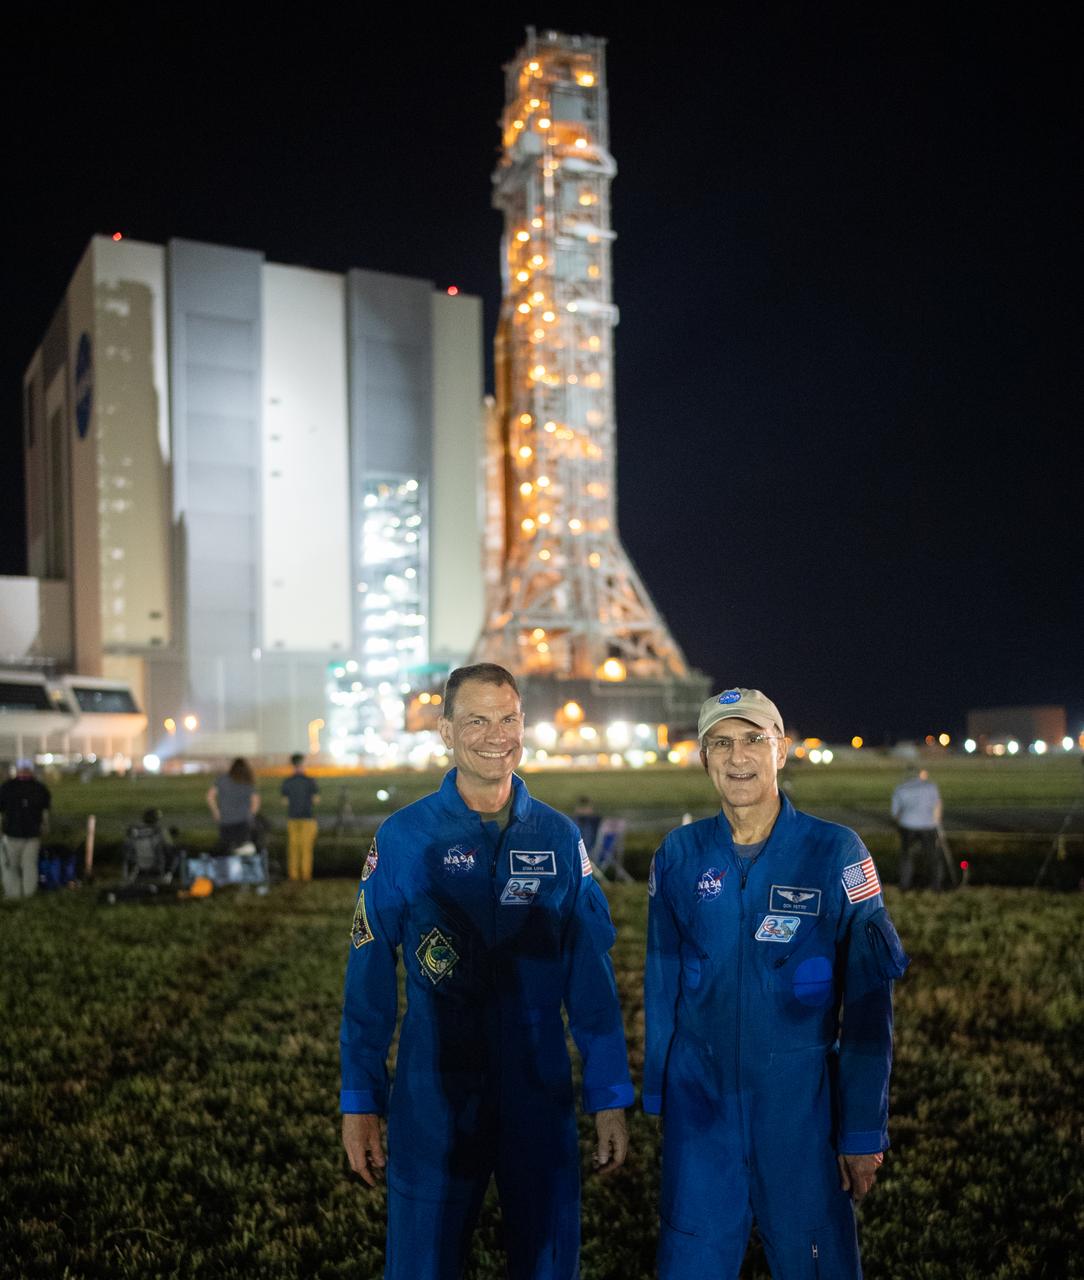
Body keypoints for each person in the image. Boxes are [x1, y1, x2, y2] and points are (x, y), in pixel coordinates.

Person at [340, 662, 633, 1280]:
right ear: (445, 731)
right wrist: (360, 1101)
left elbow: (591, 981)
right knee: (423, 1262)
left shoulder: (557, 837)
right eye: (477, 720)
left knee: (549, 1260)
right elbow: (367, 985)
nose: (496, 735)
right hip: (434, 1094)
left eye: (508, 719)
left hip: (538, 1090)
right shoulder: (403, 837)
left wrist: (608, 1096)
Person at [644, 688, 908, 1278]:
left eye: (753, 740)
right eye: (721, 743)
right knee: (690, 1260)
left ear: (780, 750)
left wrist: (862, 1127)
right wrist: (660, 1094)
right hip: (701, 1108)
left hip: (799, 1111)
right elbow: (662, 983)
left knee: (816, 1261)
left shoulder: (835, 853)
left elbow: (869, 1005)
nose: (738, 757)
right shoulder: (678, 856)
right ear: (703, 756)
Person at [0, 759, 52, 900]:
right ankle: (29, 894)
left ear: (17, 770)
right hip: (33, 835)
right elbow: (45, 812)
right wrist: (45, 828)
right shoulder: (40, 788)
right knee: (30, 866)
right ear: (31, 770)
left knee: (11, 867)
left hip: (12, 834)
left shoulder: (7, 787)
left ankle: (13, 895)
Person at [891, 766, 944, 890]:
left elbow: (895, 813)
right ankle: (936, 884)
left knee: (906, 855)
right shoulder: (931, 787)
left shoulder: (900, 789)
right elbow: (937, 806)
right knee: (932, 855)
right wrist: (937, 825)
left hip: (907, 824)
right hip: (928, 825)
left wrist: (899, 825)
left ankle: (905, 884)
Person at [281, 752, 320, 881]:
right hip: (307, 818)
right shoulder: (310, 781)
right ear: (303, 764)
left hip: (292, 818)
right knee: (306, 849)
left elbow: (284, 801)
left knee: (293, 849)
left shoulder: (287, 782)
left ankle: (293, 876)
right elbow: (316, 800)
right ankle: (305, 876)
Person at [206, 758, 260, 851]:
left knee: (227, 848)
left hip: (225, 820)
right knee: (242, 849)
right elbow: (256, 801)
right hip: (243, 821)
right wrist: (251, 815)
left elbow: (210, 796)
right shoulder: (247, 781)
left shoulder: (222, 779)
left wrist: (216, 811)